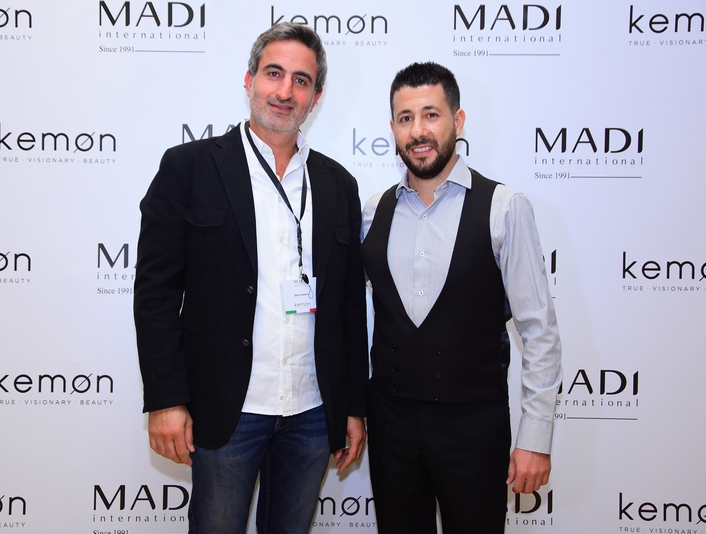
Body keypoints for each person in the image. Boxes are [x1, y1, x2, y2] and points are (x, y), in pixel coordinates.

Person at [133, 22, 369, 534]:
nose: (285, 91)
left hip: (312, 411)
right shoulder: (188, 167)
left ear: (316, 97)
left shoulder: (338, 185)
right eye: (274, 74)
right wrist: (166, 399)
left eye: (301, 81)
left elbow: (349, 306)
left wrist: (352, 407)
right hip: (227, 408)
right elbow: (155, 294)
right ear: (249, 81)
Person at [359, 62, 563, 533]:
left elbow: (539, 331)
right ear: (393, 128)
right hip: (390, 428)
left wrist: (535, 438)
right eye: (406, 118)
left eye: (431, 115)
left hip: (475, 429)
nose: (418, 131)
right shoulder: (373, 211)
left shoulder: (505, 208)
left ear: (458, 120)